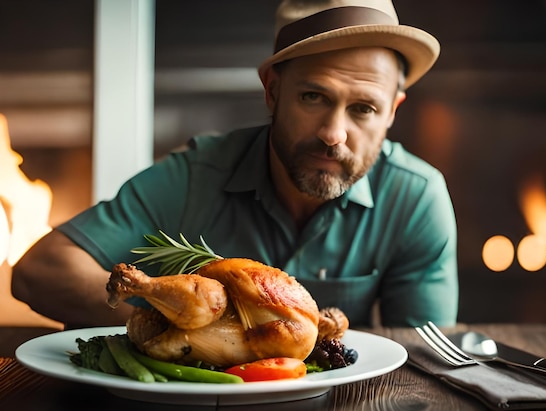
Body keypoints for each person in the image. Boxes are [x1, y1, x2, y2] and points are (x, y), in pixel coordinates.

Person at [12, 0, 458, 329]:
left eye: (363, 109)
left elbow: (422, 355)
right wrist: (175, 329)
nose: (334, 133)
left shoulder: (416, 198)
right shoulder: (192, 176)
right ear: (272, 90)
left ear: (393, 111)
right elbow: (40, 273)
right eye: (313, 97)